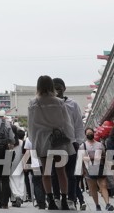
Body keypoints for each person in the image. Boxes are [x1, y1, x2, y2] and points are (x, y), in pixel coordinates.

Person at [29, 75, 76, 210]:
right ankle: (65, 201)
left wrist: (33, 141)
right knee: (61, 171)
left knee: (47, 172)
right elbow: (66, 123)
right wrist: (70, 139)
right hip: (58, 140)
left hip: (42, 140)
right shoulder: (59, 102)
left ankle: (51, 201)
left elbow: (32, 126)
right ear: (51, 86)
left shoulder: (33, 103)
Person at [51, 78, 87, 210]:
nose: (57, 90)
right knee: (55, 173)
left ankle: (71, 199)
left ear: (64, 88)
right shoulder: (48, 104)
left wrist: (78, 142)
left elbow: (78, 124)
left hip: (71, 143)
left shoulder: (73, 104)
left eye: (59, 87)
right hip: (54, 144)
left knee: (71, 174)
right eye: (54, 87)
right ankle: (56, 198)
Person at [80, 127, 113, 211]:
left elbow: (105, 156)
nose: (89, 134)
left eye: (91, 133)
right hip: (89, 169)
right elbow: (82, 158)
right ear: (86, 135)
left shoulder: (100, 144)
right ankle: (97, 205)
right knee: (93, 188)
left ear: (93, 134)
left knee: (103, 185)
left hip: (100, 167)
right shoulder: (83, 146)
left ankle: (107, 204)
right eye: (88, 133)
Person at [10, 129, 28, 208]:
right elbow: (25, 154)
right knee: (21, 180)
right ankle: (20, 196)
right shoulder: (22, 143)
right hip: (20, 164)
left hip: (11, 164)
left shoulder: (10, 143)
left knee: (12, 181)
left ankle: (15, 196)